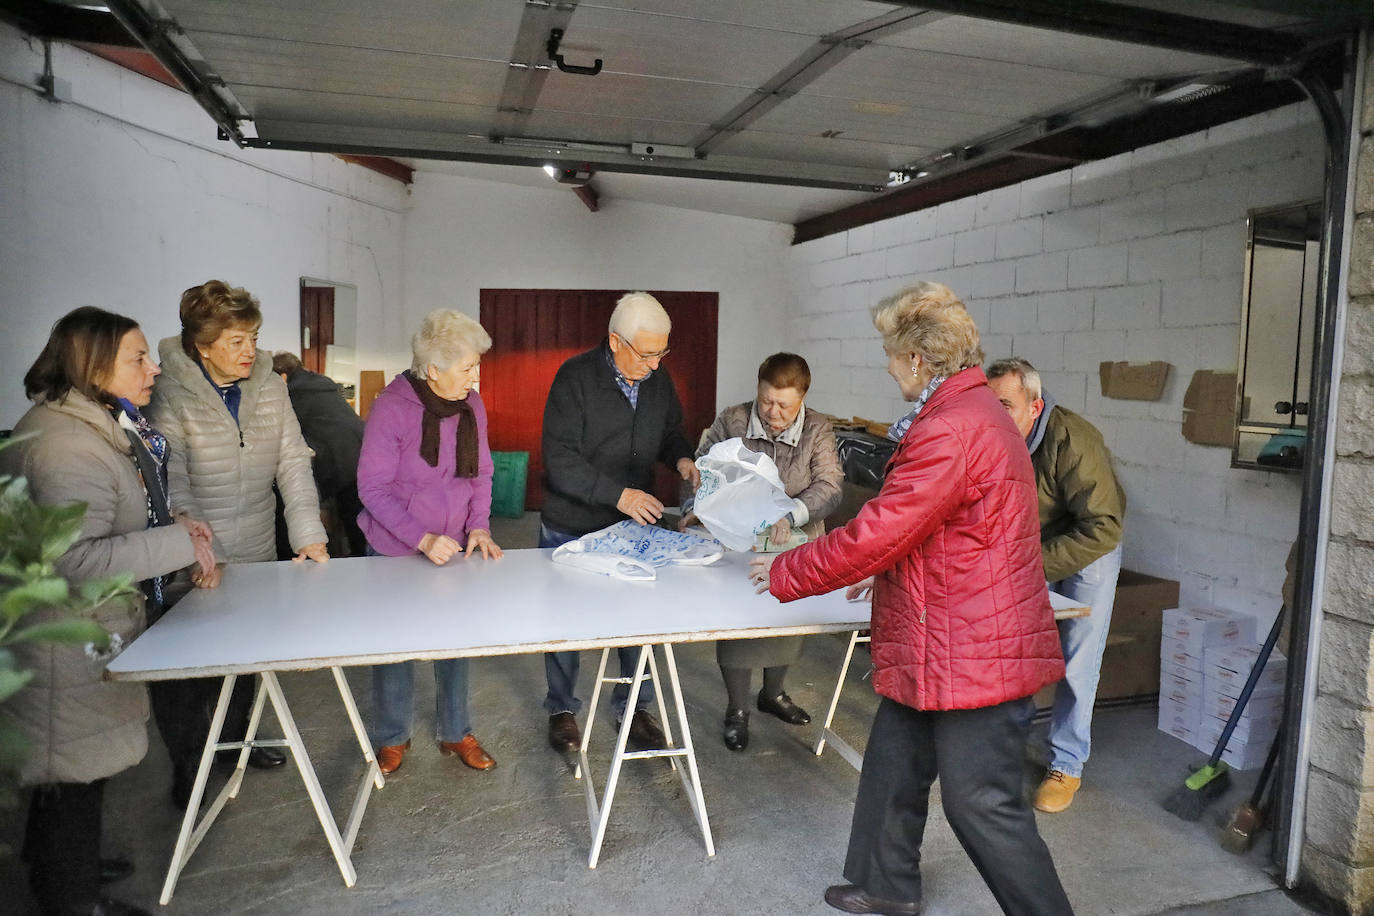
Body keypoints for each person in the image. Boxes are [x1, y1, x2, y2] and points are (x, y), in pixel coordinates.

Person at [748, 283, 1074, 916]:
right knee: (894, 766)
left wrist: (789, 569)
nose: (886, 363)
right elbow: (943, 529)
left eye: (890, 351)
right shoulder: (967, 414)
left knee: (982, 803)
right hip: (945, 632)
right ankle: (886, 886)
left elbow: (883, 529)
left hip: (973, 645)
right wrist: (897, 570)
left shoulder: (952, 428)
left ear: (919, 359)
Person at [5, 307, 218, 916]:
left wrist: (171, 523)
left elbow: (109, 519)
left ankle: (66, 870)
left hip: (77, 638)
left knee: (71, 777)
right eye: (138, 358)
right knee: (67, 779)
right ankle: (72, 899)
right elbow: (71, 561)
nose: (153, 368)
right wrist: (180, 543)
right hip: (62, 643)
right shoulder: (66, 449)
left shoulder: (92, 424)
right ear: (93, 364)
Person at [144, 280, 329, 809]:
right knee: (187, 669)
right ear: (202, 346)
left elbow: (293, 459)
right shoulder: (169, 391)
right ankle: (188, 764)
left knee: (247, 656)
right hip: (194, 552)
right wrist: (200, 552)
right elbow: (170, 478)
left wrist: (309, 535)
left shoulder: (269, 382)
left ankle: (236, 744)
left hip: (255, 542)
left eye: (252, 337)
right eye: (235, 341)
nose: (250, 350)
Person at [539, 291, 700, 754]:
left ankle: (635, 707)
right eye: (646, 354)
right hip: (573, 523)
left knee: (638, 621)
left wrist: (683, 457)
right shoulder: (574, 379)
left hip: (634, 530)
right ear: (615, 341)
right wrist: (620, 495)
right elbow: (560, 459)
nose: (654, 365)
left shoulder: (657, 379)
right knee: (565, 622)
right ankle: (562, 708)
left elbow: (670, 431)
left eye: (661, 354)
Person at [356, 309, 503, 775]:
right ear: (433, 369)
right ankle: (393, 737)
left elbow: (481, 471)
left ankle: (455, 732)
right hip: (396, 547)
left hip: (454, 545)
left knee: (455, 643)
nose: (475, 378)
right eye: (467, 368)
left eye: (476, 366)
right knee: (395, 647)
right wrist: (421, 538)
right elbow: (371, 488)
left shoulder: (470, 404)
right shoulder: (392, 407)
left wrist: (478, 525)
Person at [682, 353, 843, 751]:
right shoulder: (734, 419)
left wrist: (790, 513)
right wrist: (700, 506)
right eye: (766, 401)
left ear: (803, 397)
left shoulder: (818, 428)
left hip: (795, 544)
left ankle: (773, 693)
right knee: (739, 627)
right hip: (742, 543)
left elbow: (830, 485)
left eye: (783, 405)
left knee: (789, 621)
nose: (772, 412)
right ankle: (737, 708)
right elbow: (705, 467)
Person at [986, 356, 1126, 814]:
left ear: (1035, 405)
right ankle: (1004, 749)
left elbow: (1104, 525)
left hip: (1092, 545)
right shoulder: (993, 437)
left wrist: (1027, 568)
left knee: (1077, 657)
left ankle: (1067, 762)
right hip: (1034, 545)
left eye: (1004, 404)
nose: (993, 414)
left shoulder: (1073, 440)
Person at [272, 351, 367, 557]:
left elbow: (287, 437)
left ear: (282, 377)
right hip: (361, 454)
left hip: (340, 460)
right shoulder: (322, 386)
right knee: (357, 522)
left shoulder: (294, 393)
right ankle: (360, 562)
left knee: (346, 517)